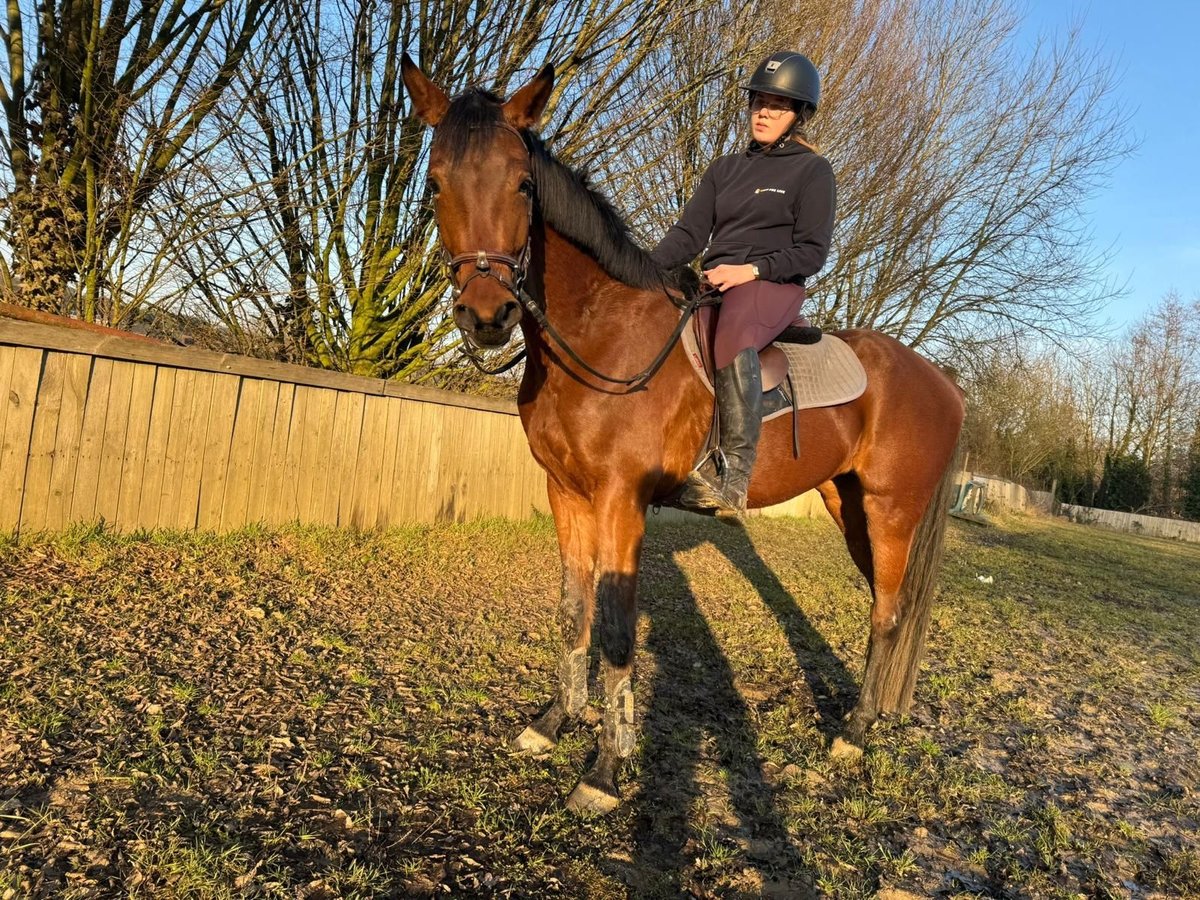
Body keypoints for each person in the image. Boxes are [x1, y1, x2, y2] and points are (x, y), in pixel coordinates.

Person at [651, 50, 836, 513]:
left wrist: (750, 270)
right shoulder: (724, 170)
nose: (764, 112)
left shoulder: (813, 172)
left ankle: (730, 476)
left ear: (798, 115)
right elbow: (689, 234)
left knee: (733, 330)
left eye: (778, 104)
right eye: (759, 101)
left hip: (771, 284)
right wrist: (638, 268)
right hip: (716, 282)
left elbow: (812, 252)